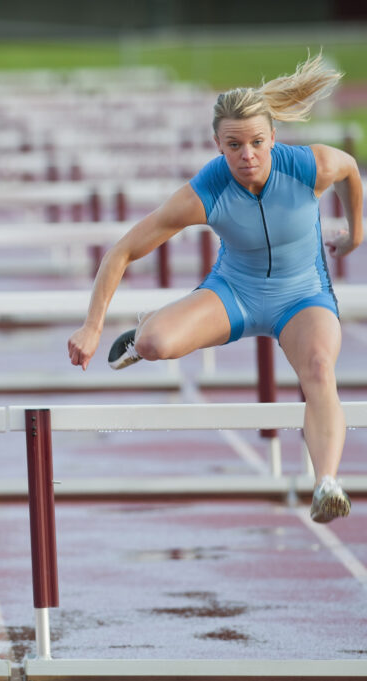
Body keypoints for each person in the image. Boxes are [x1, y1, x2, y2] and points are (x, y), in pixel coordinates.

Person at [67, 54, 361, 523]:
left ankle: (326, 482)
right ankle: (146, 327)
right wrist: (91, 325)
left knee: (320, 369)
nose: (247, 156)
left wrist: (355, 233)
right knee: (154, 344)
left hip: (302, 296)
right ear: (217, 145)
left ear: (273, 138)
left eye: (257, 143)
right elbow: (121, 251)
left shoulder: (309, 167)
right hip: (236, 292)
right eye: (234, 145)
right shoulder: (207, 189)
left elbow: (349, 170)